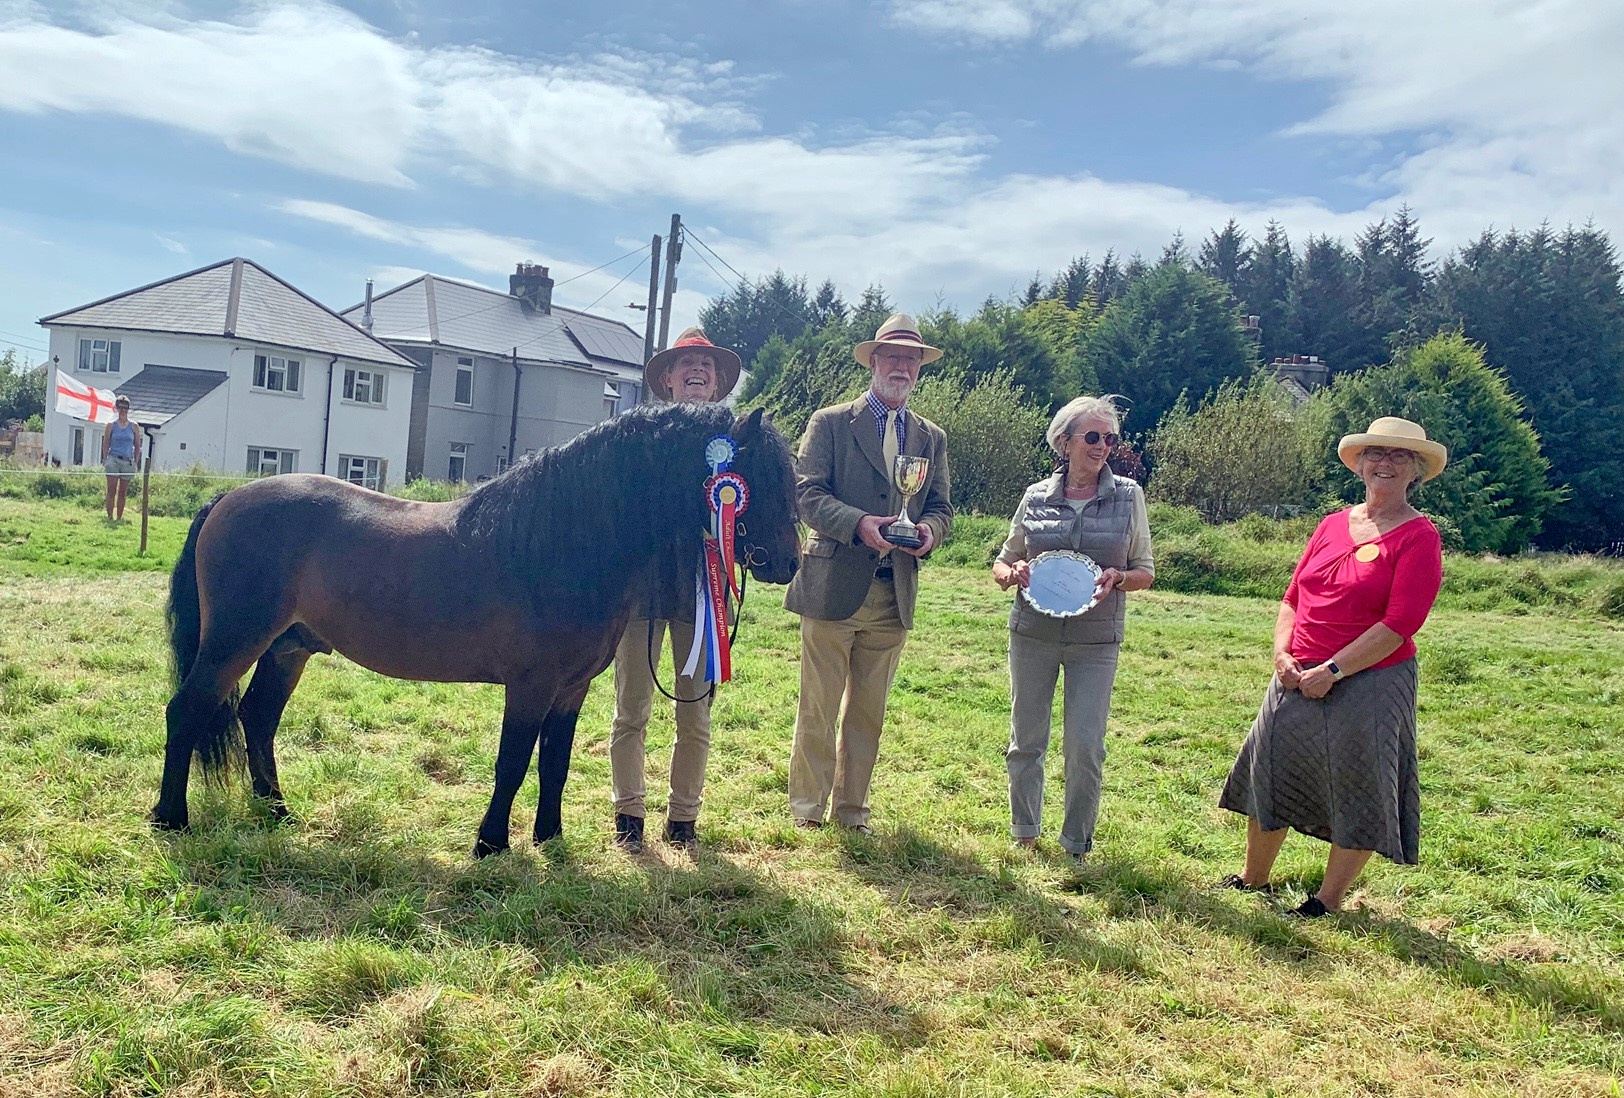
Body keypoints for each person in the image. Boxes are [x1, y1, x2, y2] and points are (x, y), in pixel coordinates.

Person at [1218, 416, 1447, 917]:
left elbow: (1400, 624)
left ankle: (1326, 900)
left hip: (1371, 680)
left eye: (1398, 456)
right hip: (1295, 673)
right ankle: (1253, 879)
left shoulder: (1419, 537)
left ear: (1416, 472)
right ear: (1360, 464)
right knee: (1269, 769)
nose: (1384, 463)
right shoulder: (1331, 524)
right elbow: (1293, 597)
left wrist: (1335, 671)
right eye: (1376, 454)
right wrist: (1282, 653)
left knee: (1359, 784)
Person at [785, 314, 952, 832]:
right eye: (893, 356)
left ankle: (853, 811)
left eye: (912, 358)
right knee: (819, 706)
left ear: (919, 369)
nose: (902, 366)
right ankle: (807, 810)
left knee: (869, 715)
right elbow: (806, 494)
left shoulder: (931, 437)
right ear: (873, 361)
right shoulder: (830, 422)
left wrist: (928, 533)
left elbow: (942, 506)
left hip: (893, 593)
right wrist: (859, 524)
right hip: (833, 587)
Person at [992, 396, 1154, 861]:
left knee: (1085, 746)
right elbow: (1003, 561)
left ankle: (1075, 844)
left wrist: (1119, 578)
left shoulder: (1129, 497)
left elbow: (1145, 570)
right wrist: (1012, 573)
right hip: (1033, 633)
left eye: (1110, 438)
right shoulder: (1035, 496)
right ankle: (1025, 832)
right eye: (1092, 436)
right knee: (1027, 739)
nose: (1103, 446)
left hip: (1096, 641)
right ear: (1064, 442)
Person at [609, 328, 741, 855]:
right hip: (642, 589)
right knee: (631, 707)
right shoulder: (635, 436)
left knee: (696, 712)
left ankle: (684, 817)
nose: (696, 371)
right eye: (686, 363)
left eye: (706, 366)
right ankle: (629, 814)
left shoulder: (732, 441)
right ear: (666, 378)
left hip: (702, 589)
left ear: (716, 383)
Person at [101, 395, 141, 521]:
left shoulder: (134, 426)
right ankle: (109, 516)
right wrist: (105, 458)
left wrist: (135, 461)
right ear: (117, 408)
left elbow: (137, 445)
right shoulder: (111, 426)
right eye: (121, 407)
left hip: (127, 461)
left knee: (123, 492)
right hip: (113, 459)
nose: (123, 410)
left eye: (126, 407)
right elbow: (106, 442)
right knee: (111, 490)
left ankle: (119, 517)